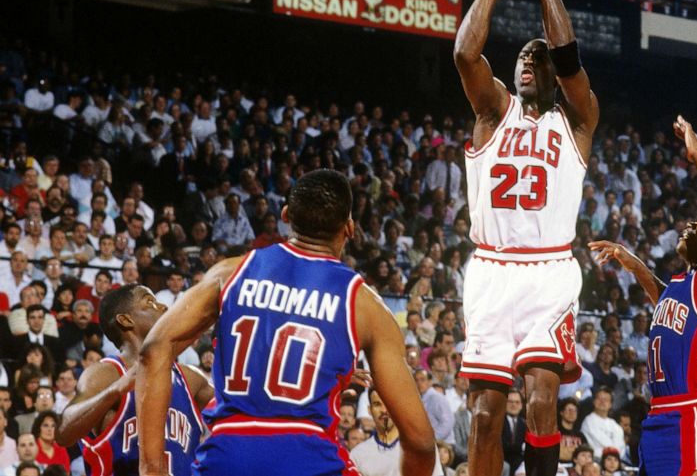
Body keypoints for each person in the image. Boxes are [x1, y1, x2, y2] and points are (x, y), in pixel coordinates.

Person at [136, 169, 436, 476]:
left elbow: (154, 349)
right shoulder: (364, 304)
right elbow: (421, 442)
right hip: (310, 456)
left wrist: (152, 468)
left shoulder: (230, 273)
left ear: (285, 215)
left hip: (227, 455)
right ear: (349, 228)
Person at [454, 0, 599, 476]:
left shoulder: (577, 121)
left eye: (538, 60)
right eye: (522, 58)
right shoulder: (492, 112)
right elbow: (466, 56)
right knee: (487, 414)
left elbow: (569, 57)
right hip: (491, 270)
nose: (528, 62)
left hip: (548, 271)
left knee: (542, 401)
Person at [589, 116, 697, 476]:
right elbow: (665, 302)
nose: (694, 223)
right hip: (661, 416)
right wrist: (634, 264)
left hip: (692, 416)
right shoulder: (685, 285)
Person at [55, 284, 212, 475]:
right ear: (126, 320)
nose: (163, 307)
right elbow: (63, 434)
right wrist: (116, 389)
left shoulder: (190, 378)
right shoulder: (106, 374)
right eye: (150, 302)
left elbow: (237, 412)